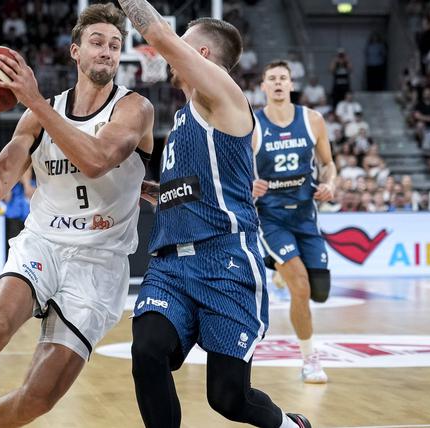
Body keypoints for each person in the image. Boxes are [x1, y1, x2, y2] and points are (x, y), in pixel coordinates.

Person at [0, 4, 155, 428]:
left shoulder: (134, 109)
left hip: (99, 262)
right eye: (97, 43)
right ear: (75, 52)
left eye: (115, 46)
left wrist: (34, 102)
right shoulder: (37, 115)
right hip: (43, 242)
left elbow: (97, 160)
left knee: (39, 397)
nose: (107, 52)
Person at [117, 1, 312, 427]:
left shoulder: (224, 95)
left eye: (182, 45)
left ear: (201, 55)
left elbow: (160, 37)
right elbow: (196, 189)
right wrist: (155, 192)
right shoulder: (186, 115)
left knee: (227, 398)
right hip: (170, 265)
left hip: (225, 261)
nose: (170, 54)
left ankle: (288, 424)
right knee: (147, 350)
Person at [251, 60, 336, 384]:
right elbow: (236, 168)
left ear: (291, 84)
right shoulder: (253, 125)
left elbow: (329, 165)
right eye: (271, 78)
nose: (277, 83)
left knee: (320, 293)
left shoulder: (312, 120)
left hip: (306, 216)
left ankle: (279, 271)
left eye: (282, 78)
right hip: (271, 218)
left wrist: (330, 184)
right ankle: (309, 360)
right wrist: (248, 183)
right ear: (263, 86)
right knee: (300, 286)